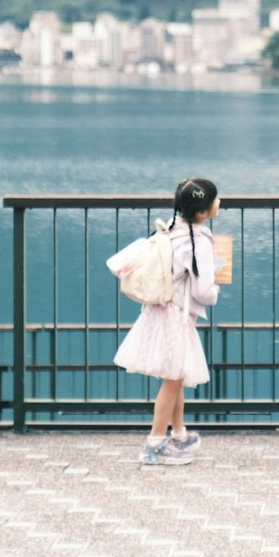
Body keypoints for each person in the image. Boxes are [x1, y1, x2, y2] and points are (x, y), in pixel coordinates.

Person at [113, 177, 222, 465]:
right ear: (202, 212)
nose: (219, 203)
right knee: (173, 379)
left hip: (159, 310)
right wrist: (216, 290)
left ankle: (179, 434)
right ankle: (155, 444)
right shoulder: (199, 240)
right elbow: (203, 291)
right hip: (177, 316)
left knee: (176, 375)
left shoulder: (173, 230)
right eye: (215, 199)